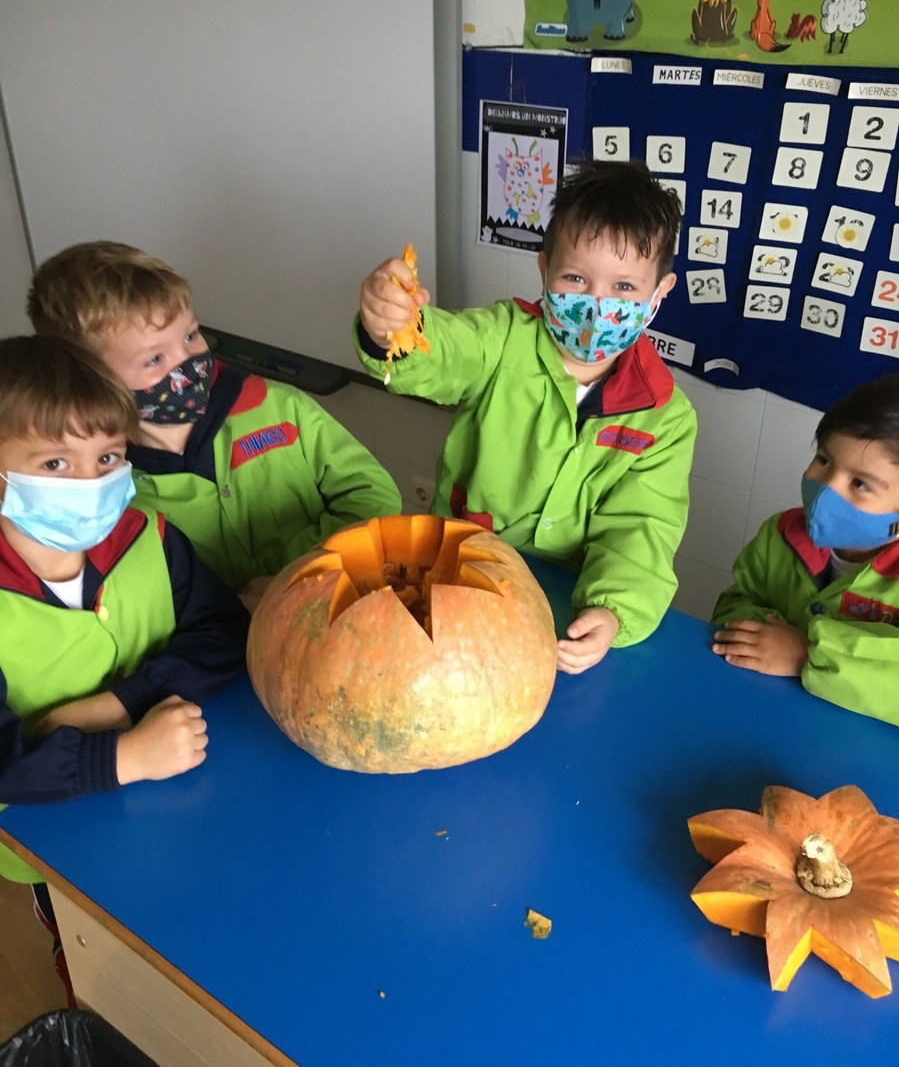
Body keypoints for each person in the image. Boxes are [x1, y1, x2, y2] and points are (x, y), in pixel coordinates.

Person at [354, 160, 697, 673]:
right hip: (460, 571)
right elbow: (448, 349)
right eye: (575, 278)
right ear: (544, 269)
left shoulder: (665, 417)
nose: (596, 304)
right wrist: (394, 329)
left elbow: (643, 527)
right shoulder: (503, 337)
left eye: (624, 288)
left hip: (568, 600)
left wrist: (613, 610)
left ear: (659, 292)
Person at [0, 335, 249, 1000]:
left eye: (107, 457)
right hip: (58, 836)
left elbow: (224, 632)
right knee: (100, 961)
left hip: (184, 790)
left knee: (194, 937)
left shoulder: (148, 536)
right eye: (56, 462)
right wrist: (121, 757)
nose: (91, 483)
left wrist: (118, 705)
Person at [27, 242, 402, 608]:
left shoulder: (278, 406)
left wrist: (302, 570)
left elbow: (373, 495)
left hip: (336, 605)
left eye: (191, 335)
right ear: (93, 381)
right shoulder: (105, 486)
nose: (189, 361)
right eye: (155, 358)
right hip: (222, 639)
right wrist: (224, 608)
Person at [712, 373, 899, 726]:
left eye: (860, 483)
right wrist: (763, 639)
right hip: (761, 710)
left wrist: (807, 655)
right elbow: (734, 604)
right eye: (824, 460)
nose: (827, 489)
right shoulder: (781, 533)